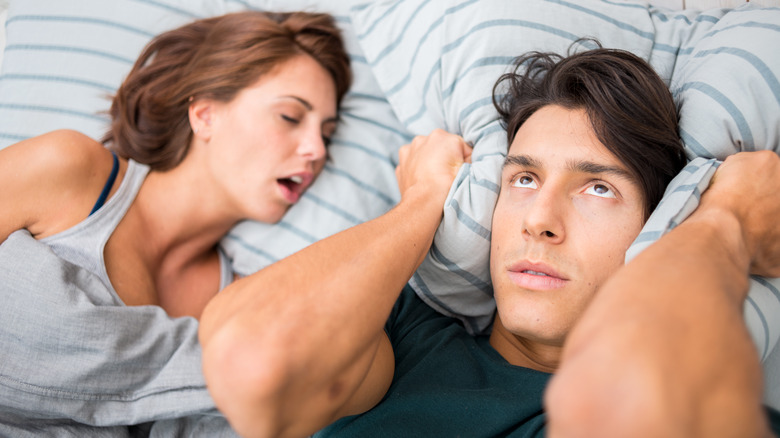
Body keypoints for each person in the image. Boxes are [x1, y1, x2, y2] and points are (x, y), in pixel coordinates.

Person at [198, 46, 780, 437]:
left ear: (656, 225)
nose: (539, 221)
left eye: (598, 188)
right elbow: (257, 363)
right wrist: (425, 198)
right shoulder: (403, 336)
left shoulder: (689, 404)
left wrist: (722, 222)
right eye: (523, 179)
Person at [0, 10, 350, 435]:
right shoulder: (71, 170)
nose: (317, 150)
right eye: (290, 117)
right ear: (204, 114)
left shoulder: (240, 303)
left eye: (326, 134)